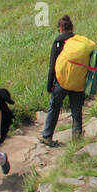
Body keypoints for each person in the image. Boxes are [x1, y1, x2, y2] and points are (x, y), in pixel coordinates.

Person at [40, 15, 85, 147]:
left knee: (54, 107)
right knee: (76, 110)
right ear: (72, 27)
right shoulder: (78, 42)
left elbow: (52, 66)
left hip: (62, 82)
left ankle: (47, 136)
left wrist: (49, 86)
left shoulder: (58, 41)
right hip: (78, 81)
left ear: (60, 28)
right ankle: (77, 140)